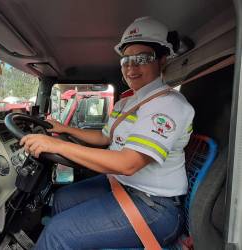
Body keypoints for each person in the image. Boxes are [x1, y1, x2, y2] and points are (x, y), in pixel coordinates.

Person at [20, 16, 195, 249]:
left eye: (142, 58)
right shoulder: (127, 103)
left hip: (154, 207)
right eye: (126, 59)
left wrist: (57, 145)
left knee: (57, 233)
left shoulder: (169, 105)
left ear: (162, 60)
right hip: (121, 186)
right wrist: (63, 129)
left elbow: (127, 164)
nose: (131, 67)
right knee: (61, 198)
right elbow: (104, 138)